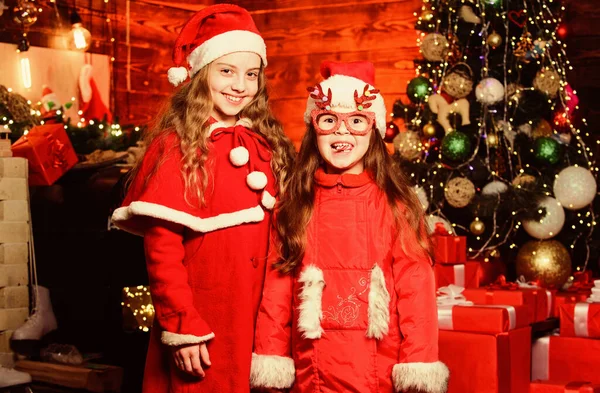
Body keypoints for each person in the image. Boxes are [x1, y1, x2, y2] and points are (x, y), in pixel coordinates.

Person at [111, 4, 294, 393]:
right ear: (199, 74)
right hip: (205, 321)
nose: (239, 85)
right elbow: (161, 249)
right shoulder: (176, 146)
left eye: (251, 74)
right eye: (226, 71)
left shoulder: (266, 145)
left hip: (260, 321)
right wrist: (183, 326)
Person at [249, 61, 449, 393]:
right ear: (315, 130)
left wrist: (418, 369)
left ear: (375, 130)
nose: (342, 132)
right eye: (329, 121)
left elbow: (418, 298)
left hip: (377, 375)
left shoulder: (396, 207)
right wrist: (270, 358)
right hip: (310, 375)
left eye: (356, 121)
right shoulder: (294, 206)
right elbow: (276, 295)